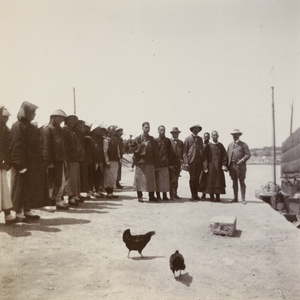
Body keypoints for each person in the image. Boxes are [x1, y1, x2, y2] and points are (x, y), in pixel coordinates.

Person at [10, 101, 47, 220]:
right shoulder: (17, 126)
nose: (34, 114)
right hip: (21, 163)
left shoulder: (31, 127)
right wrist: (19, 164)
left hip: (32, 164)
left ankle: (27, 210)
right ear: (26, 113)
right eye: (32, 112)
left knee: (29, 188)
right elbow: (17, 146)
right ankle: (18, 212)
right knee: (19, 188)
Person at [42, 109, 69, 209]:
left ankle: (57, 200)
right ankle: (48, 202)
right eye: (59, 118)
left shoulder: (60, 130)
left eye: (62, 119)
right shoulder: (47, 129)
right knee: (50, 182)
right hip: (51, 161)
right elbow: (46, 147)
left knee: (60, 181)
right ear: (53, 117)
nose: (61, 120)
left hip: (60, 160)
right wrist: (48, 162)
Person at [132, 122, 159, 202]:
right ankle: (140, 196)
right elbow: (133, 148)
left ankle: (151, 196)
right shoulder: (138, 138)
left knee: (151, 179)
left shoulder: (152, 139)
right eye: (146, 127)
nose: (147, 129)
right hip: (141, 162)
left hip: (150, 162)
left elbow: (155, 151)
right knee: (140, 179)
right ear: (142, 128)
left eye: (148, 127)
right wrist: (143, 144)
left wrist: (157, 163)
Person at [0, 106, 17, 224]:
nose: (6, 119)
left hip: (2, 164)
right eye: (4, 117)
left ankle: (7, 214)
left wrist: (8, 161)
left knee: (4, 189)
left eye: (7, 117)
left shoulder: (6, 129)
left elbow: (9, 147)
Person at [202, 131, 228, 202]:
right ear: (211, 137)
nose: (215, 137)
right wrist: (205, 167)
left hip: (219, 168)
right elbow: (204, 157)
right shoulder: (208, 146)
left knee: (218, 182)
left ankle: (217, 197)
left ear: (218, 136)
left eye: (216, 135)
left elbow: (225, 156)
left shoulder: (221, 146)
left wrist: (224, 165)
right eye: (213, 135)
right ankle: (212, 197)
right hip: (210, 168)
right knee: (210, 182)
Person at [227, 129, 251, 204]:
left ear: (239, 135)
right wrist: (226, 166)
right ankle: (235, 198)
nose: (235, 136)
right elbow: (227, 155)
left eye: (236, 135)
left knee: (242, 181)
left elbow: (248, 154)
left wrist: (242, 160)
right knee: (234, 182)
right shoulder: (229, 145)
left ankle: (243, 199)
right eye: (233, 135)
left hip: (241, 167)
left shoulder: (243, 145)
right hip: (232, 166)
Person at [63, 114, 81, 206]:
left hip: (74, 158)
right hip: (69, 158)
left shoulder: (71, 131)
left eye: (74, 121)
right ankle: (70, 197)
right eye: (71, 120)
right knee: (69, 178)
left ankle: (73, 195)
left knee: (74, 178)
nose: (72, 123)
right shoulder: (65, 130)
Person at [183, 124, 203, 201]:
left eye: (197, 129)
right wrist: (186, 162)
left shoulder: (200, 139)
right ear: (192, 130)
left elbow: (201, 150)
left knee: (197, 178)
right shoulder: (187, 139)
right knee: (192, 178)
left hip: (199, 161)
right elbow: (184, 152)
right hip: (191, 162)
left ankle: (196, 194)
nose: (196, 131)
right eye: (195, 129)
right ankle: (192, 195)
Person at [155, 125, 175, 200]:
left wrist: (169, 160)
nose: (162, 132)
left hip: (166, 163)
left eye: (163, 130)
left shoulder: (167, 140)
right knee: (158, 180)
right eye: (161, 130)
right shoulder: (155, 140)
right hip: (158, 164)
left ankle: (164, 195)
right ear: (158, 131)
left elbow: (171, 152)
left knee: (165, 180)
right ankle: (158, 195)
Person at [103, 126, 120, 199]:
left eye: (114, 130)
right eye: (112, 130)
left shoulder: (115, 139)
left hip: (115, 160)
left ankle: (112, 192)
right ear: (108, 131)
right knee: (109, 177)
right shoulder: (106, 140)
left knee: (113, 177)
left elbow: (118, 149)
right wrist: (107, 161)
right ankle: (108, 193)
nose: (113, 131)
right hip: (110, 161)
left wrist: (119, 158)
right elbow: (105, 151)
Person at [169, 127, 184, 199]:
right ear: (172, 134)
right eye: (175, 133)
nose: (176, 135)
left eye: (177, 133)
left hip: (178, 163)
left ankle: (175, 193)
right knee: (171, 179)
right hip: (171, 164)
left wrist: (182, 160)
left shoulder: (181, 142)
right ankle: (171, 194)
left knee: (176, 179)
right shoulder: (169, 141)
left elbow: (183, 152)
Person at [199, 132, 210, 200]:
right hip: (202, 164)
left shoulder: (211, 145)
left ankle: (210, 194)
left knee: (209, 179)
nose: (206, 138)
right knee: (203, 180)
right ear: (203, 137)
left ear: (209, 138)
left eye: (207, 137)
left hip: (210, 164)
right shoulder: (201, 145)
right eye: (205, 137)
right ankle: (203, 194)